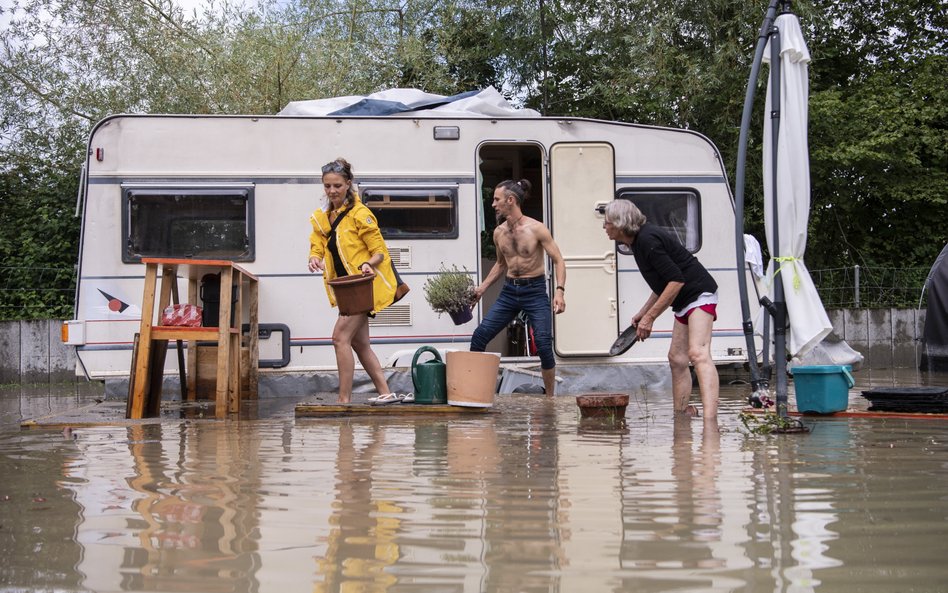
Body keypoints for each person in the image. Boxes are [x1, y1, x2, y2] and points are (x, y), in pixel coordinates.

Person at [603, 199, 720, 423]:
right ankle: (682, 415)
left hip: (699, 293)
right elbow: (664, 282)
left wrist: (650, 318)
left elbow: (676, 280)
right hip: (684, 300)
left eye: (607, 222)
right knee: (676, 358)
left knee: (698, 353)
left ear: (620, 223)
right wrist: (643, 312)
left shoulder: (647, 239)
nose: (604, 227)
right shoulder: (636, 243)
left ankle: (710, 422)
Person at [308, 158, 406, 404]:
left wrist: (368, 264)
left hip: (363, 286)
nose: (332, 191)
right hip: (346, 289)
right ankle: (385, 393)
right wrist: (314, 257)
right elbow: (318, 243)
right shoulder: (323, 217)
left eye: (337, 186)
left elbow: (379, 251)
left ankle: (343, 400)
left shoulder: (360, 214)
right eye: (328, 186)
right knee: (360, 344)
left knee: (339, 338)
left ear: (348, 184)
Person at [470, 179, 566, 396]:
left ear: (510, 200)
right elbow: (501, 264)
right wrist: (481, 289)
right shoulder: (499, 233)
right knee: (480, 336)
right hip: (509, 292)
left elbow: (559, 260)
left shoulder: (537, 229)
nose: (493, 204)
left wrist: (559, 291)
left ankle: (550, 398)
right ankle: (474, 392)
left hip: (535, 291)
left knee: (542, 343)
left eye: (497, 199)